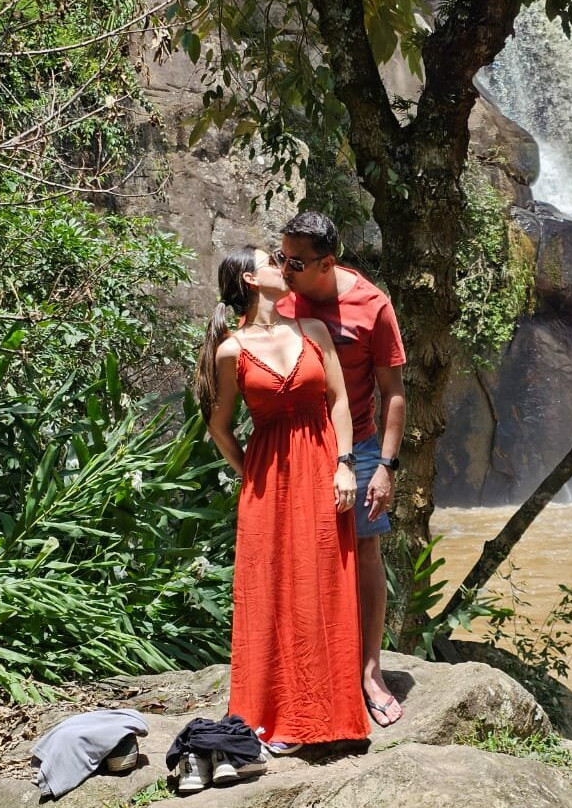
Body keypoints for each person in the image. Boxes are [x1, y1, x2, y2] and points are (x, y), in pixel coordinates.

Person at [194, 246, 369, 751]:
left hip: (323, 470)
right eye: (272, 261)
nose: (283, 266)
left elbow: (338, 401)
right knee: (271, 592)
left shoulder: (312, 331)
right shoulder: (231, 350)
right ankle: (278, 716)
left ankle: (329, 713)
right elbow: (219, 427)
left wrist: (345, 464)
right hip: (269, 484)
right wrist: (251, 473)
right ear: (251, 280)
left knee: (323, 584)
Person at [275, 211, 406, 728]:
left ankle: (370, 671)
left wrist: (386, 466)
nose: (285, 269)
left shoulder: (371, 305)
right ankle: (310, 670)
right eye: (281, 257)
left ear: (327, 263)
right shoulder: (279, 300)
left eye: (296, 262)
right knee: (299, 554)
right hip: (297, 444)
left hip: (363, 444)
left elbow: (394, 392)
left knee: (365, 549)